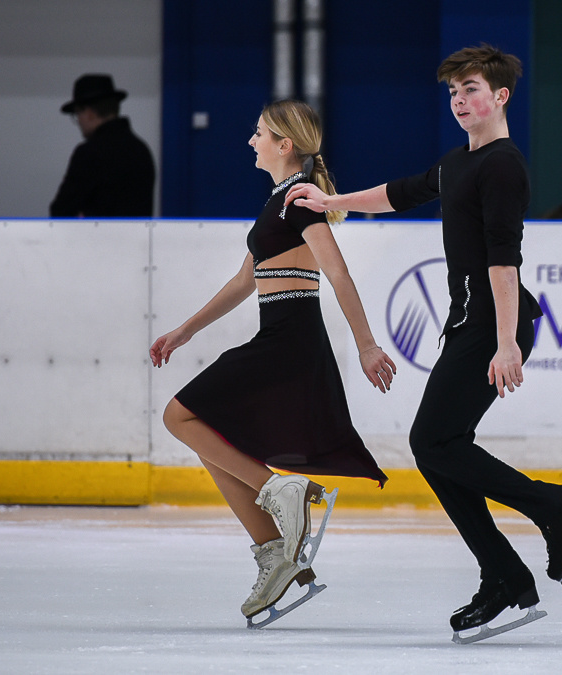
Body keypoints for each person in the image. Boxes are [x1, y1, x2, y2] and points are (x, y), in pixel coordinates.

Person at [285, 45, 562, 639]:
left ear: (501, 96)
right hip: (469, 327)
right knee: (438, 446)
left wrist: (506, 343)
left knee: (431, 441)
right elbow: (402, 191)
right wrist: (332, 203)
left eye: (471, 90)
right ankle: (510, 568)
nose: (460, 101)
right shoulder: (461, 161)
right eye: (453, 93)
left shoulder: (503, 165)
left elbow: (504, 261)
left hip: (490, 328)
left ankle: (557, 512)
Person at [149, 100, 395, 623]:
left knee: (179, 416)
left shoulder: (299, 203)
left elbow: (339, 273)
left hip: (291, 341)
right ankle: (275, 554)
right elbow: (244, 282)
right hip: (285, 337)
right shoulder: (277, 203)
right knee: (212, 439)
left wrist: (368, 344)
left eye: (258, 133)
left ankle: (277, 489)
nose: (250, 141)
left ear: (285, 145)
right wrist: (183, 331)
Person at [50, 74, 156, 218]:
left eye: (77, 114)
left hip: (96, 240)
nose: (79, 122)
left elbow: (61, 211)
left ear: (89, 113)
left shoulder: (89, 153)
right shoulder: (141, 150)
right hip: (138, 240)